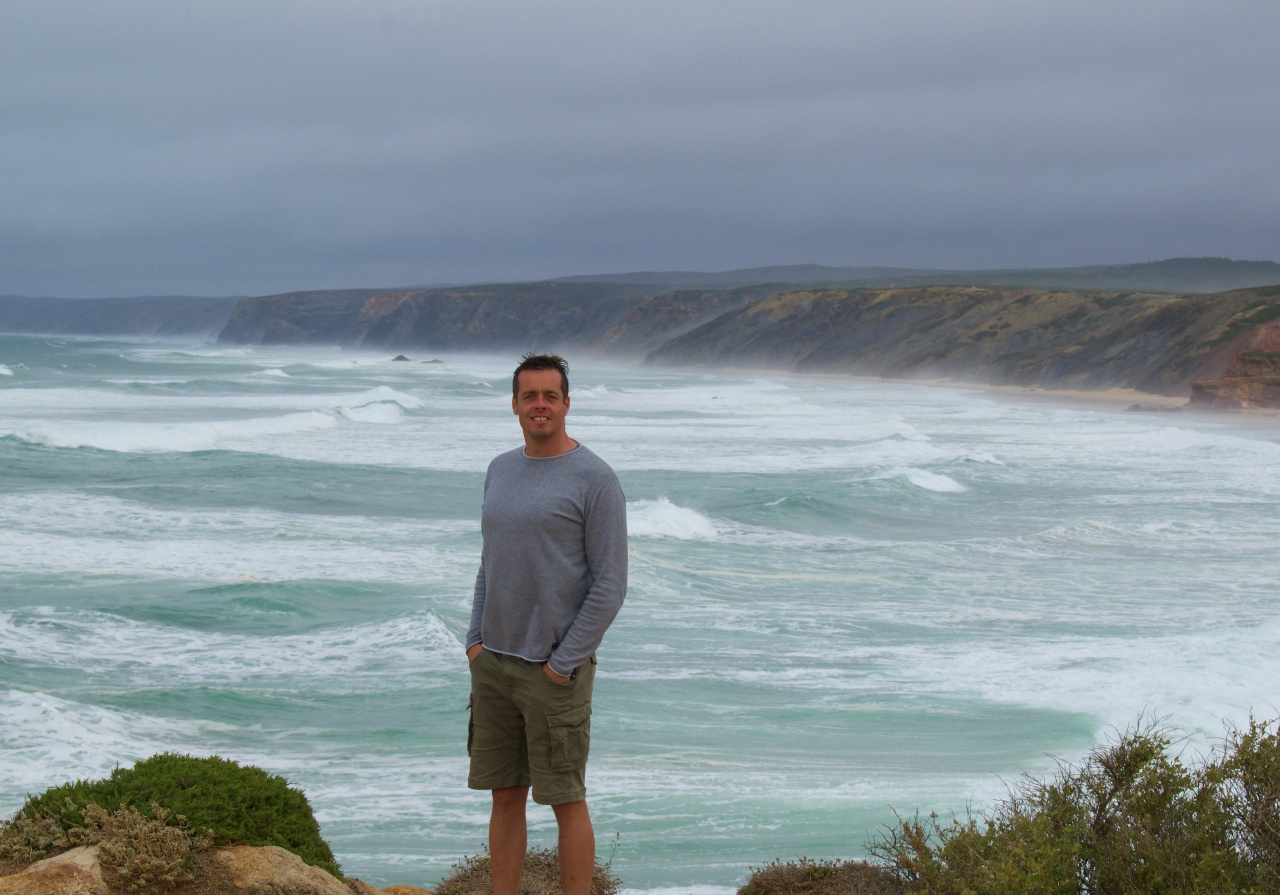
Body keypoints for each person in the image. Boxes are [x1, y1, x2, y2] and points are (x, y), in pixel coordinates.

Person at [465, 353, 627, 895]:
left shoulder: (596, 479)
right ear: (514, 405)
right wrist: (475, 640)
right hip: (494, 664)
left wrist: (563, 663)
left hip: (554, 671)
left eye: (550, 396)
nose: (540, 405)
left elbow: (610, 584)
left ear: (566, 404)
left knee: (565, 799)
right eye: (530, 396)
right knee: (504, 796)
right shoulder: (499, 469)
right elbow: (490, 560)